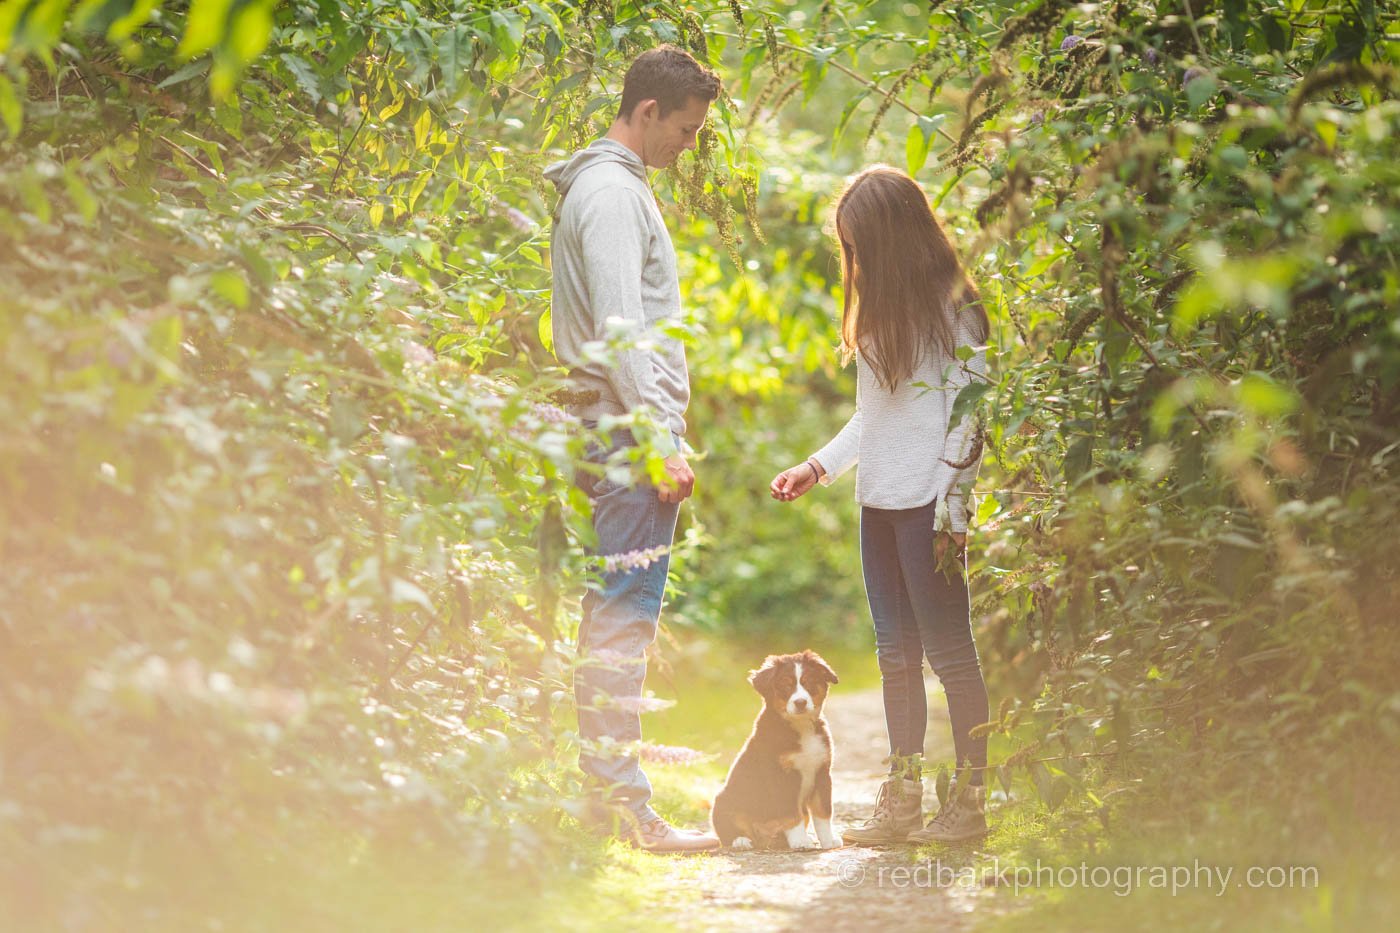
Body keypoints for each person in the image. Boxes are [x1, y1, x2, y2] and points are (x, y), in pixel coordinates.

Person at [770, 165, 993, 845]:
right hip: (881, 507)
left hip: (931, 506)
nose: (856, 262)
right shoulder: (876, 315)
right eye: (849, 250)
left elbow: (971, 416)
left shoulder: (958, 310)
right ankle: (901, 797)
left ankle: (970, 802)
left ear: (895, 240)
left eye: (862, 247)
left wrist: (953, 513)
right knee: (895, 655)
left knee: (950, 654)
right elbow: (873, 418)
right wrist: (819, 465)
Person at [544, 46, 721, 854]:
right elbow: (620, 331)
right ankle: (623, 803)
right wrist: (660, 443)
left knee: (613, 615)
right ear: (647, 111)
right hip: (625, 436)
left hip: (614, 430)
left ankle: (605, 797)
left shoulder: (608, 185)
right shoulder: (613, 194)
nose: (688, 146)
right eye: (684, 130)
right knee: (623, 619)